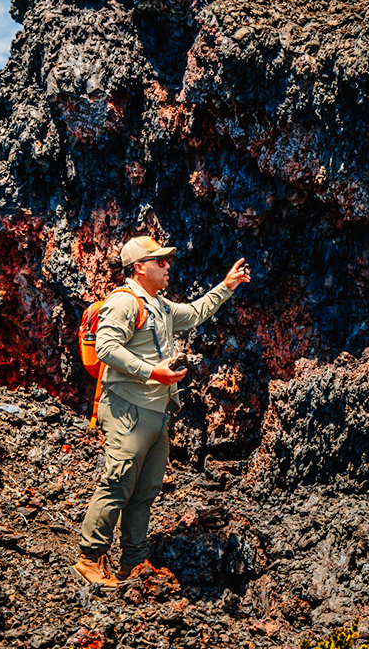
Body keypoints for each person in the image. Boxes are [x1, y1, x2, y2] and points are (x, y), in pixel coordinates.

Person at [73, 236, 250, 586]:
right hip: (128, 409)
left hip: (156, 412)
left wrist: (226, 286)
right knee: (117, 483)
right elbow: (107, 348)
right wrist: (154, 372)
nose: (168, 266)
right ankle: (88, 559)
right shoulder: (124, 303)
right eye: (161, 261)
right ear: (140, 267)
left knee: (145, 489)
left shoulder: (160, 305)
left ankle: (133, 563)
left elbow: (196, 312)